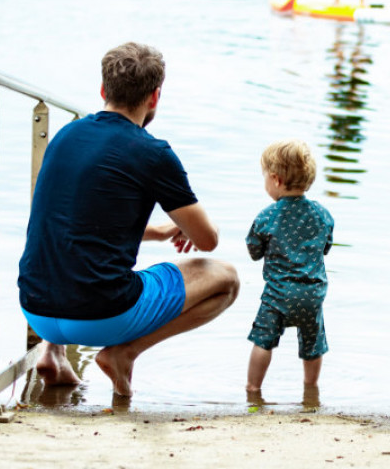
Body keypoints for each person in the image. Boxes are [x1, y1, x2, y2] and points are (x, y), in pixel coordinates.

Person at [18, 42, 240, 397]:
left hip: (35, 307)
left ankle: (52, 352)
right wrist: (190, 226)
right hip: (100, 316)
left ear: (103, 90)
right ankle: (124, 353)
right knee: (226, 278)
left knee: (61, 238)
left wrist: (161, 232)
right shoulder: (153, 153)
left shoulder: (64, 136)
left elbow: (77, 224)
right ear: (155, 98)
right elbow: (207, 240)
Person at [245, 139, 334, 396]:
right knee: (313, 342)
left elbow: (253, 250)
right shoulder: (322, 215)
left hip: (278, 295)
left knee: (263, 341)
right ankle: (310, 389)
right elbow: (325, 247)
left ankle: (253, 390)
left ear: (276, 180)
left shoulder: (266, 217)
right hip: (311, 295)